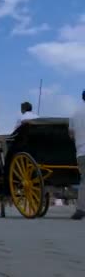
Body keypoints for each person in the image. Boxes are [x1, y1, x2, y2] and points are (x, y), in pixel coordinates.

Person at [69, 90, 85, 220]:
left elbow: (71, 134)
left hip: (81, 152)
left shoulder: (74, 114)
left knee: (84, 180)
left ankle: (80, 209)